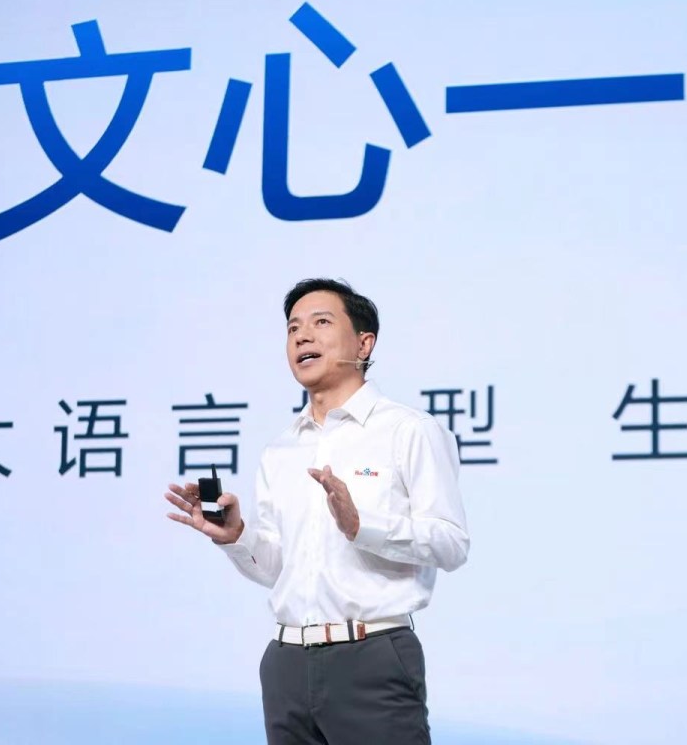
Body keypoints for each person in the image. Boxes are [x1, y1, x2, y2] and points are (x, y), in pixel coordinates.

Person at [165, 278, 469, 744]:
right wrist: (238, 536)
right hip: (286, 665)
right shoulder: (281, 449)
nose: (302, 337)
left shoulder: (409, 431)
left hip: (372, 657)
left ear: (364, 343)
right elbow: (280, 569)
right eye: (292, 329)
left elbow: (451, 544)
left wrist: (361, 526)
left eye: (321, 323)